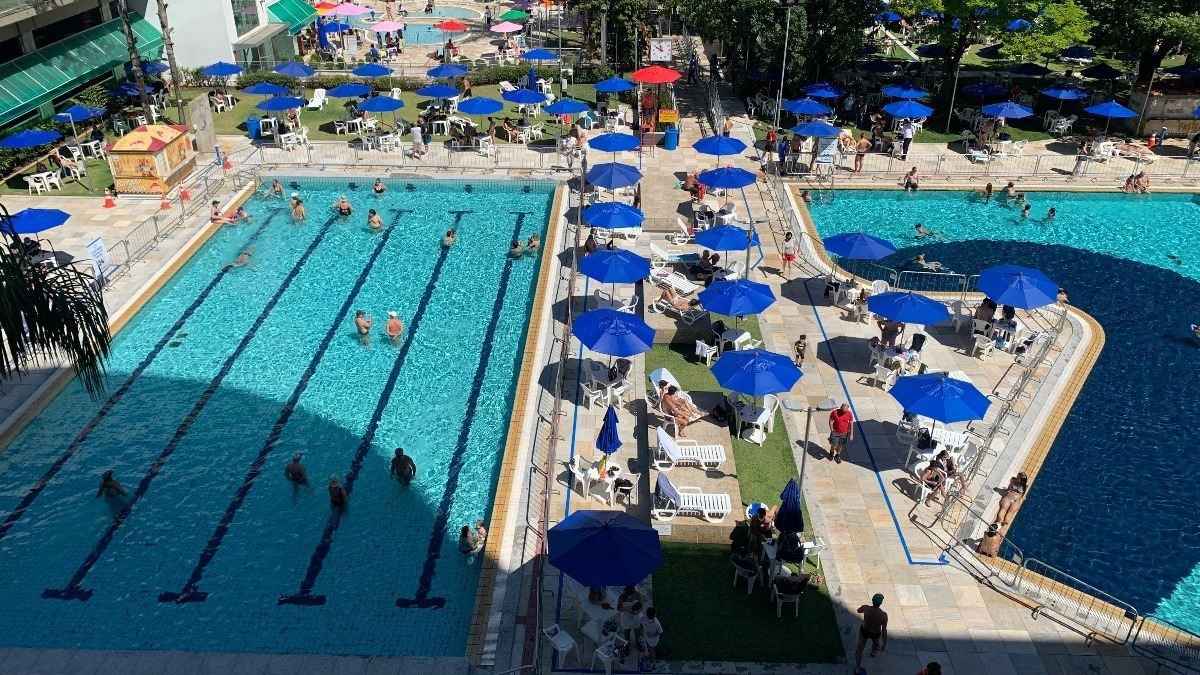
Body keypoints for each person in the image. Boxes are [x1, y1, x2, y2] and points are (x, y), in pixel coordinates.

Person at [855, 593, 888, 671]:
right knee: (876, 644)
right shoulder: (883, 615)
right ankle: (873, 652)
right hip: (875, 633)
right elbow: (884, 631)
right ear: (881, 603)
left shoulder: (866, 608)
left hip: (864, 630)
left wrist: (863, 608)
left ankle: (858, 667)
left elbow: (858, 610)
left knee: (859, 649)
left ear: (872, 600)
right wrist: (884, 644)